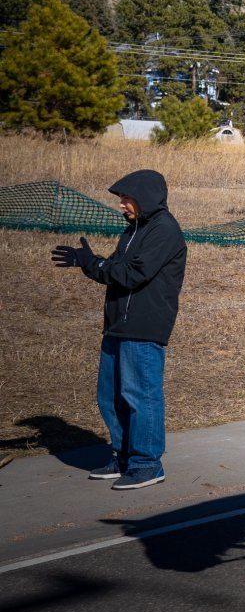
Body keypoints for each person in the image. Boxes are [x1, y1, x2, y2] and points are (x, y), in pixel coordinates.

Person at [50, 170, 186, 489]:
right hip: (116, 325)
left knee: (140, 395)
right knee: (110, 396)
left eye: (127, 199)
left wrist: (94, 265)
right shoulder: (133, 230)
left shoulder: (164, 230)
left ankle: (147, 463)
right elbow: (114, 270)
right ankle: (123, 456)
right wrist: (89, 263)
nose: (122, 205)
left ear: (145, 197)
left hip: (143, 326)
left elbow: (133, 274)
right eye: (121, 200)